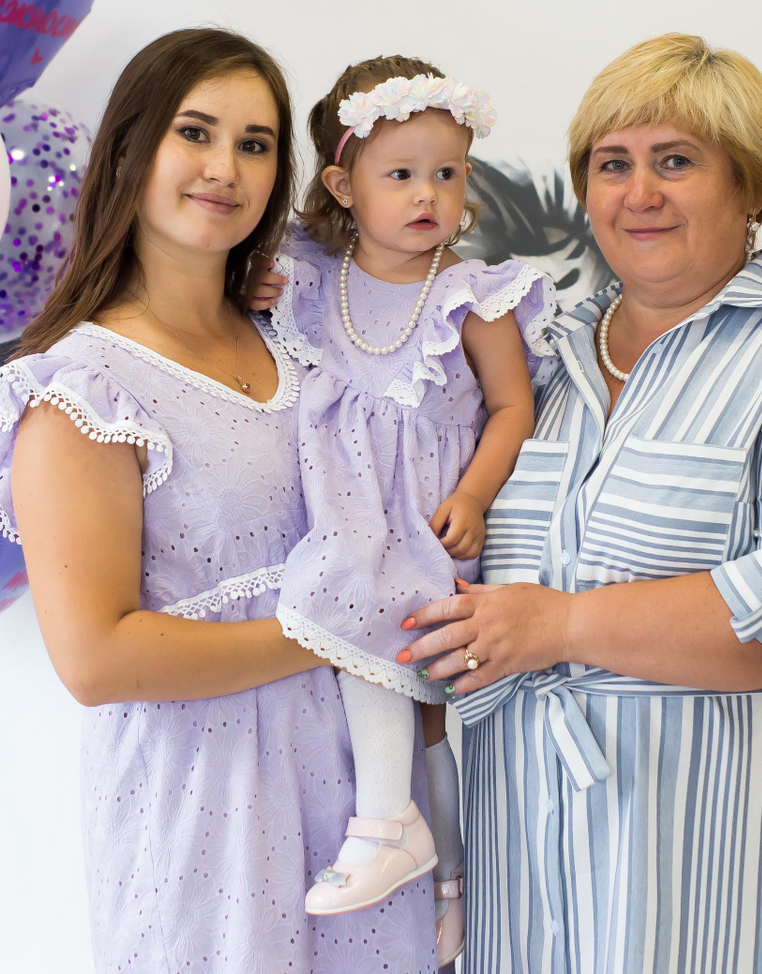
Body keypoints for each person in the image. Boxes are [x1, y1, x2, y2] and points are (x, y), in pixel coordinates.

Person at [398, 33, 762, 972]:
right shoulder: (537, 363)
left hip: (727, 856)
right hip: (529, 854)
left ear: (751, 187)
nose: (639, 194)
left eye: (675, 162)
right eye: (613, 165)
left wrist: (558, 625)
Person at [0, 29, 436, 972]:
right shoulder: (84, 389)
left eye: (256, 145)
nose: (225, 168)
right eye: (196, 132)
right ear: (129, 151)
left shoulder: (303, 340)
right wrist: (337, 629)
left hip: (364, 806)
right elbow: (96, 658)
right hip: (209, 814)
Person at [263, 57, 552, 962]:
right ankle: (442, 882)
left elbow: (512, 407)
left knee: (400, 668)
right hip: (339, 510)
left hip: (421, 521)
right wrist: (253, 290)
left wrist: (473, 494)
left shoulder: (471, 295)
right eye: (401, 174)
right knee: (409, 707)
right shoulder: (312, 275)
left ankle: (397, 830)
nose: (428, 195)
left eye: (447, 173)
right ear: (343, 186)